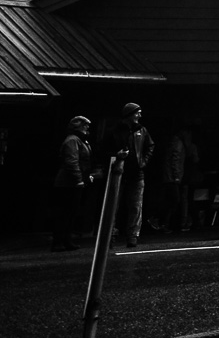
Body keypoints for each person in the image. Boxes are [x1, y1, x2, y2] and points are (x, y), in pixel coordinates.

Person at [101, 101, 154, 247]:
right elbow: (103, 151)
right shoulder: (114, 131)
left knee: (136, 205)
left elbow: (150, 145)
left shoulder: (142, 130)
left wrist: (143, 162)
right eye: (137, 112)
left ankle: (133, 236)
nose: (140, 115)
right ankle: (110, 235)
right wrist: (116, 155)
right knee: (114, 206)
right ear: (129, 114)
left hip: (136, 173)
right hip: (118, 172)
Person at [50, 115, 92, 251]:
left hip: (72, 182)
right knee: (64, 213)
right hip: (67, 184)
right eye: (85, 125)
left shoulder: (80, 140)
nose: (87, 127)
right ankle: (59, 241)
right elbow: (72, 162)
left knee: (70, 213)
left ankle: (66, 240)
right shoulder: (73, 140)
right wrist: (79, 179)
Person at [155, 126, 193, 234]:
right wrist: (176, 176)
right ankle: (161, 221)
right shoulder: (178, 143)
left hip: (170, 176)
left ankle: (162, 222)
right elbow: (175, 160)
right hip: (172, 177)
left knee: (171, 199)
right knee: (174, 199)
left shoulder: (175, 141)